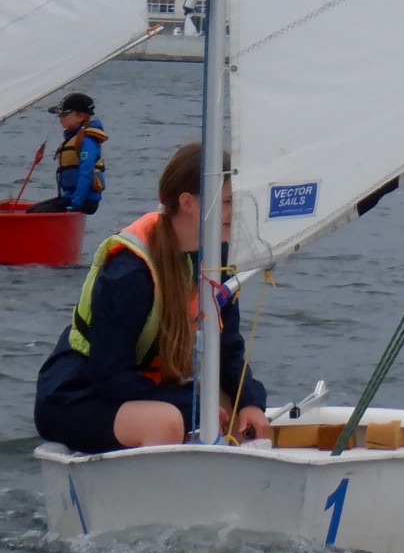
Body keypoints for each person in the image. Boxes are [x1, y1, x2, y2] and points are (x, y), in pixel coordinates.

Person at [34, 142, 267, 452]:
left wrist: (250, 401)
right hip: (79, 394)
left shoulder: (216, 260)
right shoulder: (129, 271)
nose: (233, 212)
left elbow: (228, 348)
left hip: (142, 389)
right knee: (167, 421)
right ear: (188, 202)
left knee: (237, 410)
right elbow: (111, 376)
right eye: (226, 202)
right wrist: (193, 404)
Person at [26, 92, 107, 215]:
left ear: (79, 116)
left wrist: (75, 205)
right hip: (70, 197)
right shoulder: (74, 138)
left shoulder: (87, 141)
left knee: (37, 214)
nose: (60, 118)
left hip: (85, 200)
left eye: (64, 114)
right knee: (31, 210)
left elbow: (86, 173)